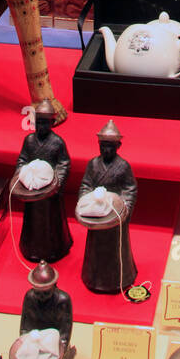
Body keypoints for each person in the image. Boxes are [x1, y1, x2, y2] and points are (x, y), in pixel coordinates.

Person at [75, 120, 138, 294]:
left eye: (110, 146)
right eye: (103, 146)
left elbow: (129, 188)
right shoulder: (93, 164)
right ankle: (93, 277)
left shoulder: (123, 166)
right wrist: (86, 202)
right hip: (97, 211)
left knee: (117, 248)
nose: (106, 150)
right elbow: (86, 185)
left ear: (118, 146)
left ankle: (121, 277)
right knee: (96, 248)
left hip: (116, 213)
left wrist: (124, 208)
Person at [13, 99, 73, 264]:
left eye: (45, 123)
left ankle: (56, 248)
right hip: (33, 188)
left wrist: (56, 183)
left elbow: (64, 163)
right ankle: (30, 248)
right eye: (38, 123)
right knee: (33, 221)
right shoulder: (29, 141)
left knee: (52, 222)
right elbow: (22, 159)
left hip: (50, 192)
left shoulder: (57, 142)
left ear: (52, 123)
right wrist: (23, 175)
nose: (41, 127)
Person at [12, 261, 75, 359]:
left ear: (54, 286)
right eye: (38, 293)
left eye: (46, 293)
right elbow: (25, 328)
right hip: (34, 342)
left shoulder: (63, 300)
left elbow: (64, 334)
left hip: (54, 346)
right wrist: (27, 344)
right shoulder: (29, 297)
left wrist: (58, 352)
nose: (41, 297)